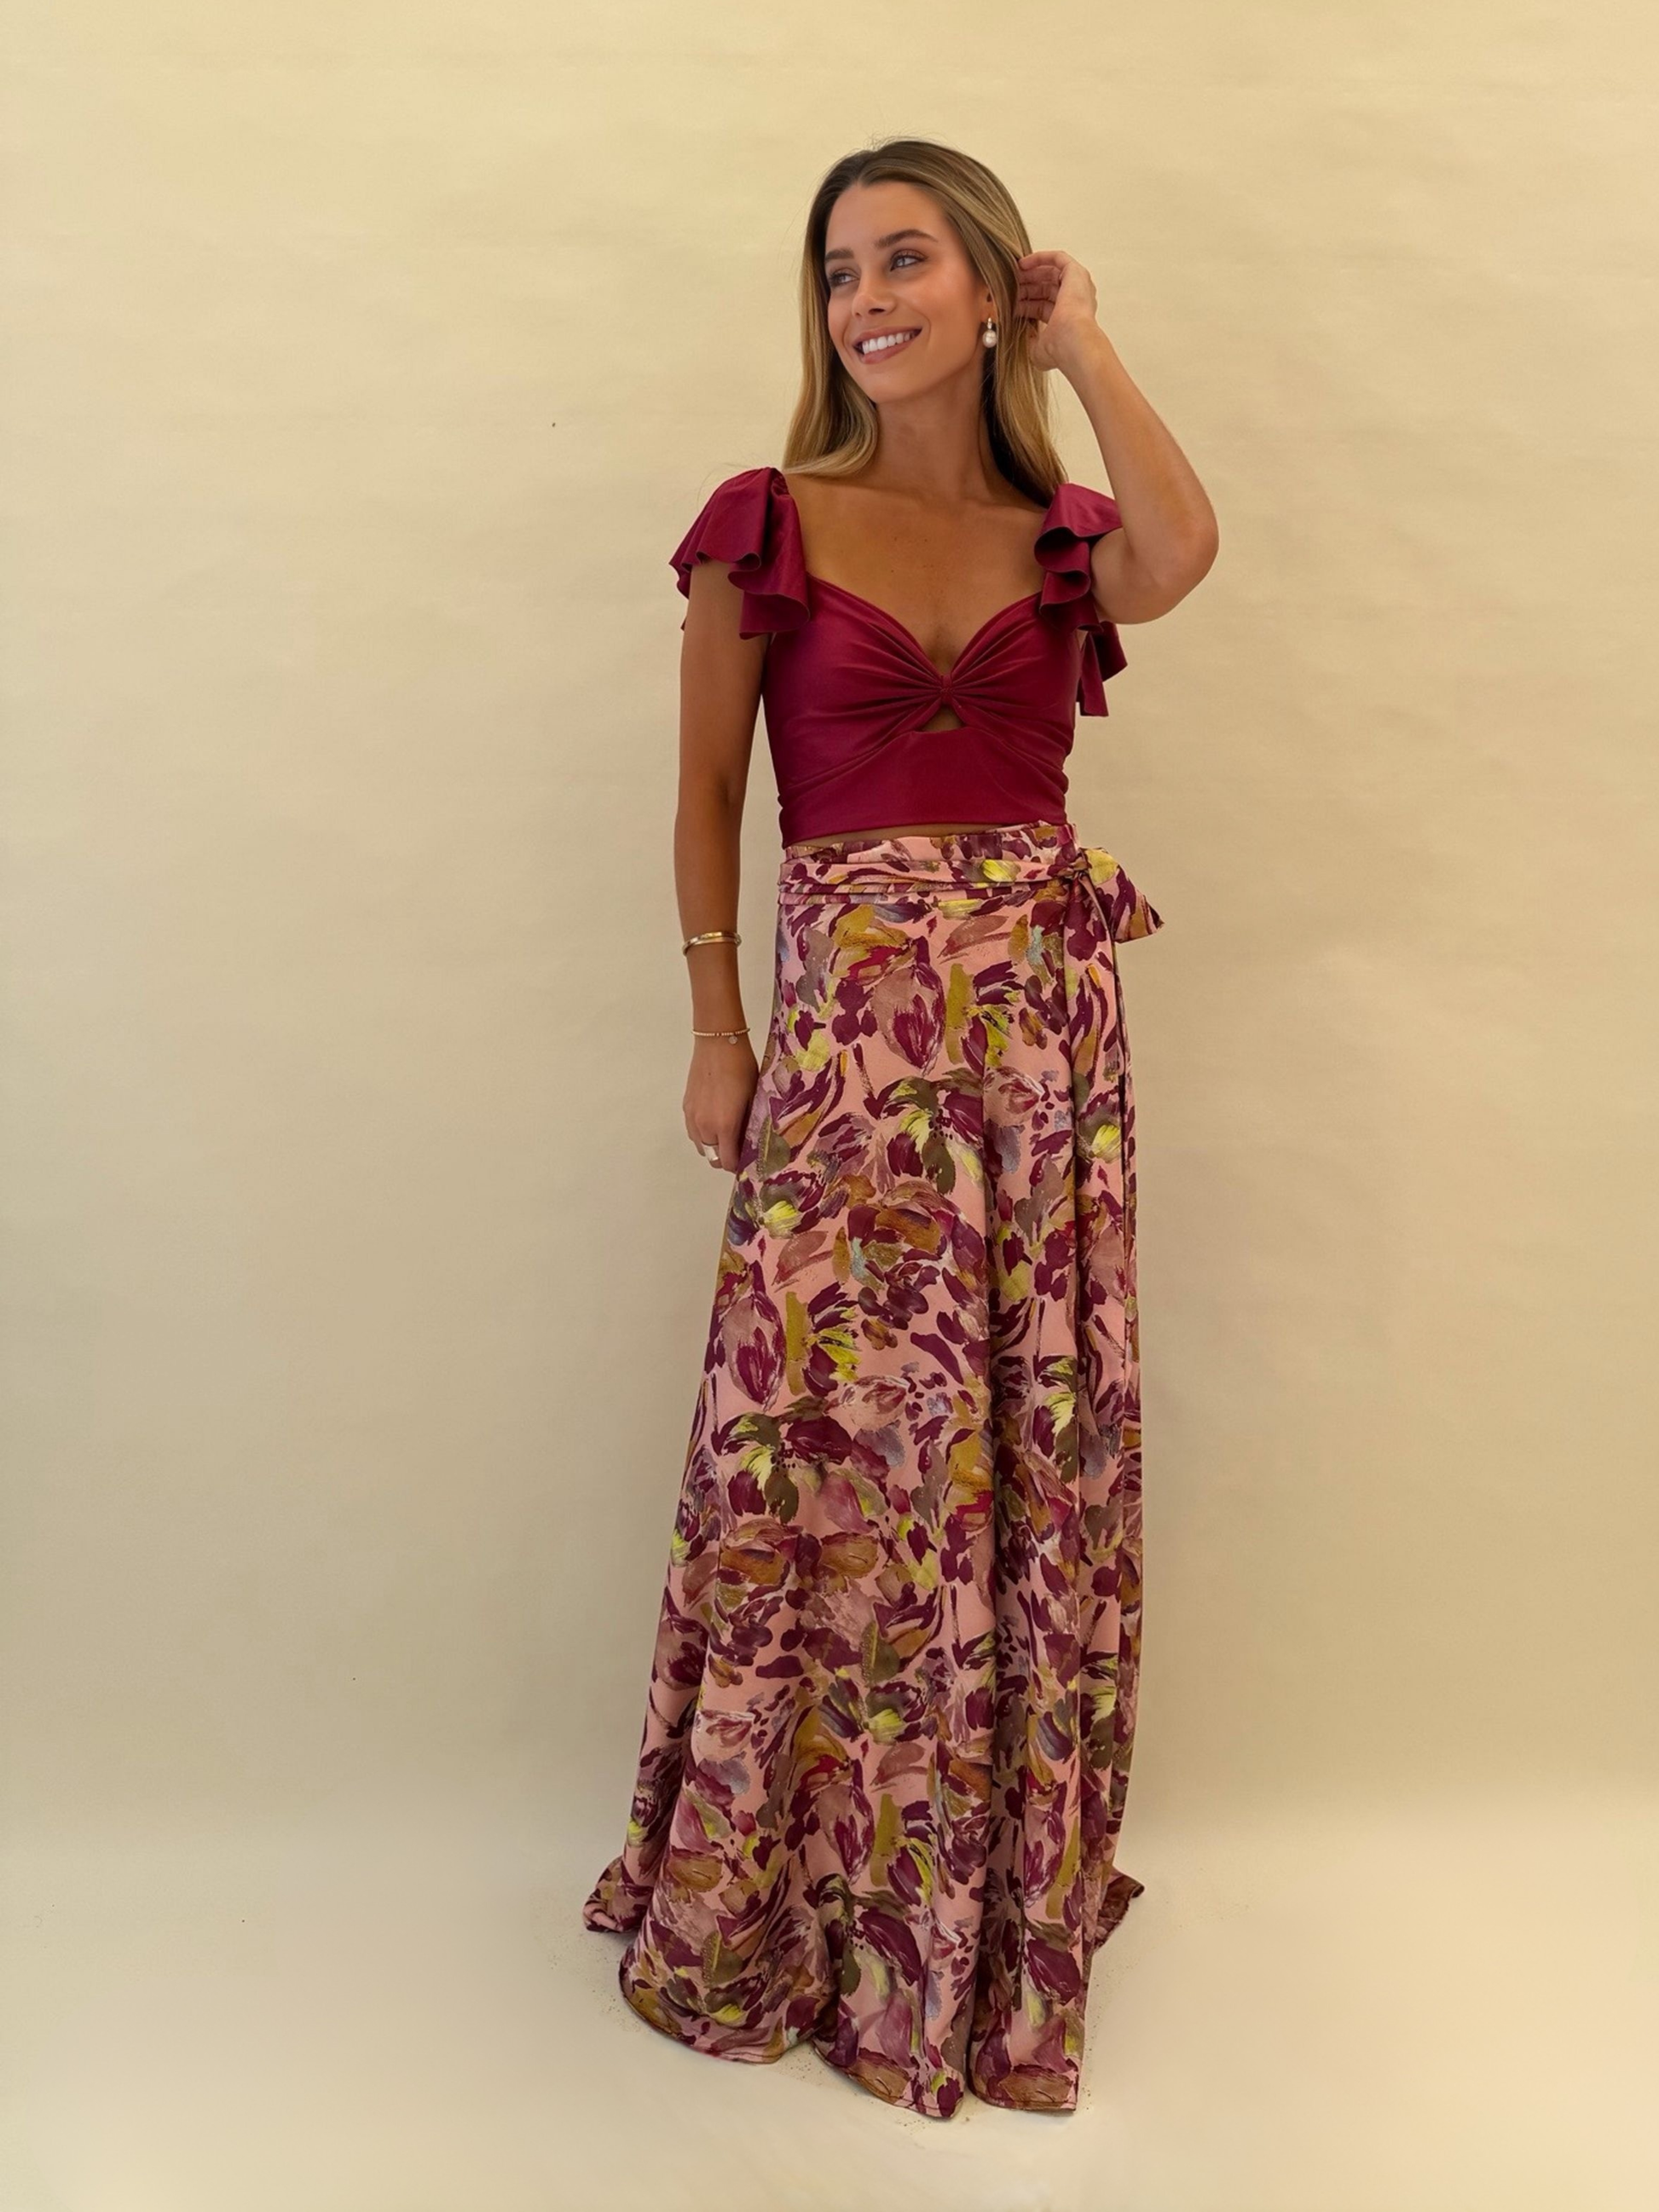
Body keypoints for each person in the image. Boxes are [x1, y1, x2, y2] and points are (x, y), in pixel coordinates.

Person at [581, 136, 1218, 2120]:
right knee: (825, 1453)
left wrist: (1085, 349)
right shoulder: (767, 519)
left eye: (906, 258)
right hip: (852, 1051)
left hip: (1039, 1057)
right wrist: (718, 1026)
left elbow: (1181, 556)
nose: (865, 298)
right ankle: (798, 1893)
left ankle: (981, 1890)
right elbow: (706, 795)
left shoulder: (1061, 535)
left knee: (1016, 1450)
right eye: (841, 269)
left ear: (989, 280)